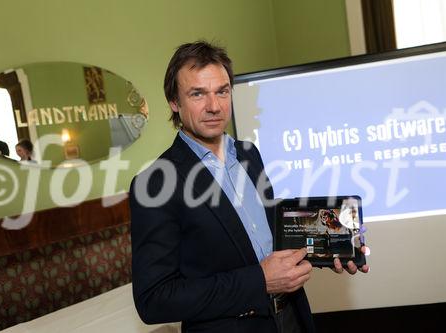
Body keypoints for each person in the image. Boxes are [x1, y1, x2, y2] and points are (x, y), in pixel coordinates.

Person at [129, 41, 369, 333]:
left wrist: (330, 246)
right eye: (197, 94)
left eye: (222, 91)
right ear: (174, 102)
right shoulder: (155, 183)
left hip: (292, 316)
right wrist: (260, 281)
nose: (214, 106)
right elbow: (154, 300)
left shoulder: (248, 153)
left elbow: (269, 237)